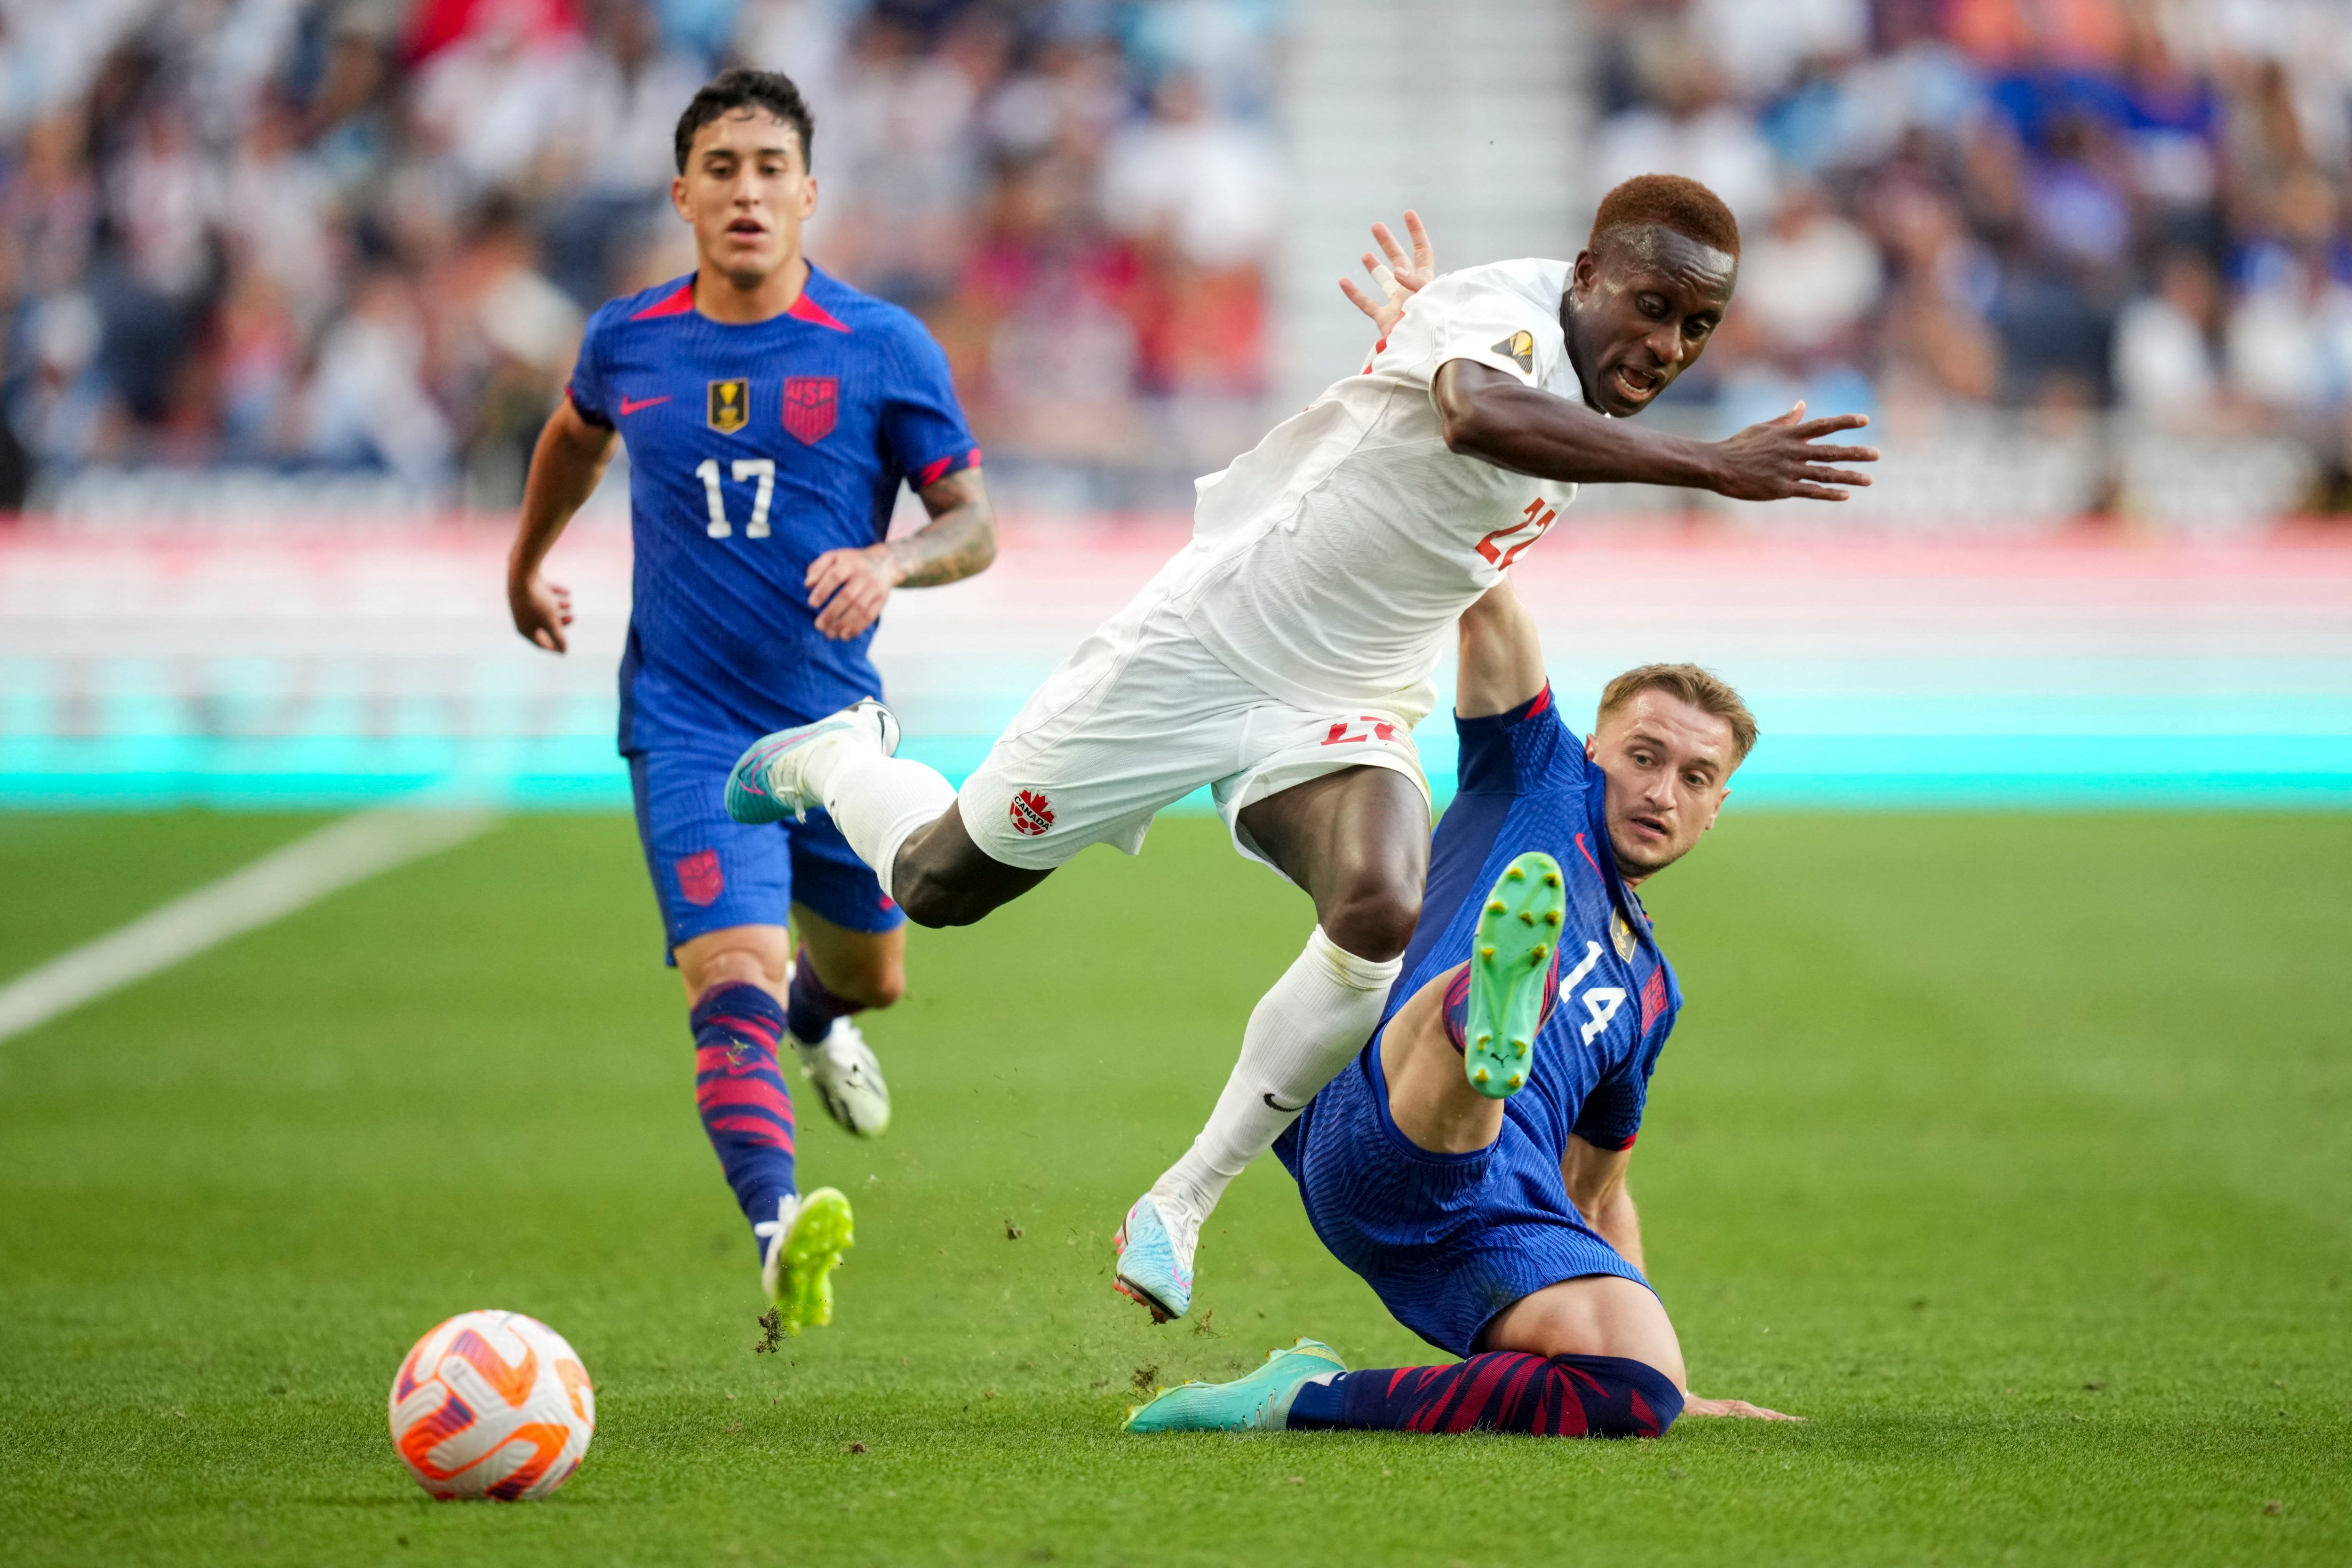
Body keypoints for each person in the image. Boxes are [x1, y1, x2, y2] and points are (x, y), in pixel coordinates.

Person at [722, 176, 1876, 1322]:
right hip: (1199, 647)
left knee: (1383, 899)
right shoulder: (1509, 323)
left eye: (1698, 326)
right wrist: (1711, 462)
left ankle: (1179, 1203)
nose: (1668, 343)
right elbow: (1478, 409)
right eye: (1652, 305)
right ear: (1586, 275)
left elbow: (1472, 426)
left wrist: (1420, 340)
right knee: (935, 884)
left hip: (1346, 694)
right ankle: (835, 753)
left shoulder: (1561, 374)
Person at [503, 69, 996, 1330]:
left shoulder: (881, 346)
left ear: (810, 192)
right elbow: (572, 436)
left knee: (871, 975)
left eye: (770, 167)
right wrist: (526, 559)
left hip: (833, 734)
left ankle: (822, 1020)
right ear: (682, 192)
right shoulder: (629, 338)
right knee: (730, 975)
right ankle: (781, 1229)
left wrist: (889, 562)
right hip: (686, 724)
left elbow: (975, 524)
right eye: (721, 168)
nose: (746, 190)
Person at [1126, 579, 1795, 1436]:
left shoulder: (1653, 992)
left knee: (1632, 1393)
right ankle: (1484, 1012)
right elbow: (1492, 601)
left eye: (1694, 777)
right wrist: (1488, 476)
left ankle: (1297, 1396)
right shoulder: (1538, 775)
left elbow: (1597, 1195)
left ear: (1716, 808)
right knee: (1469, 1030)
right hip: (1381, 1124)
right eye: (1644, 756)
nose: (1663, 791)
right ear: (1594, 750)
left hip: (1487, 1227)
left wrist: (1668, 1364)